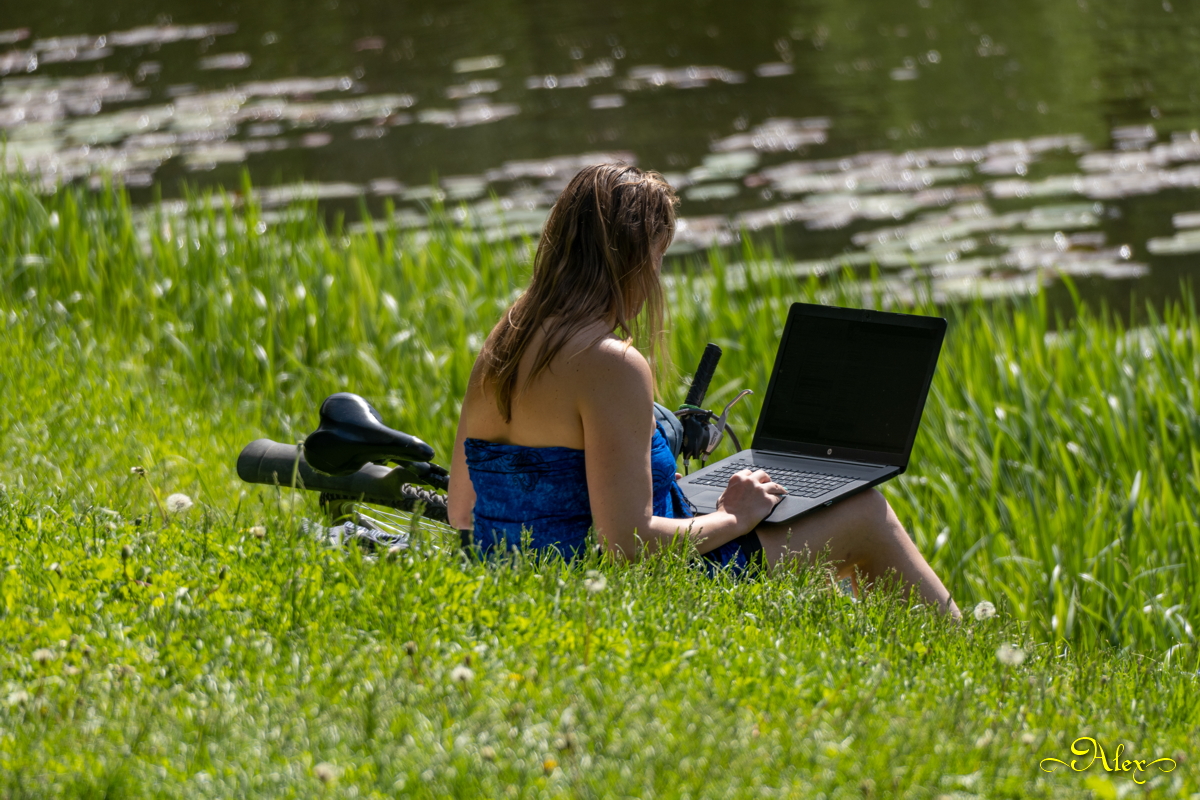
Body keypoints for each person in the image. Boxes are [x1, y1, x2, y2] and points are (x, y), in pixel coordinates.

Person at [447, 163, 960, 618]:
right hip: (620, 594)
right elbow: (628, 546)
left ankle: (842, 630)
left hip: (524, 583)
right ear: (630, 262)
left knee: (803, 520)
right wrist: (731, 517)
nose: (655, 279)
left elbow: (462, 510)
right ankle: (957, 654)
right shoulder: (610, 362)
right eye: (655, 258)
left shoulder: (501, 348)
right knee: (865, 512)